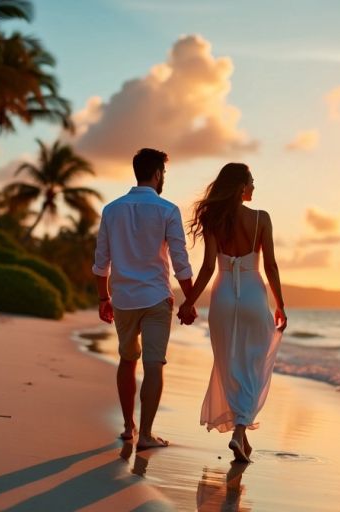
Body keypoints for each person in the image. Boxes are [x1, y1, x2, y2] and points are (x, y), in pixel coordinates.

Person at [180, 162, 287, 463]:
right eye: (251, 181)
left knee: (230, 364)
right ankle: (239, 432)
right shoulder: (261, 219)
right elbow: (271, 267)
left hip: (224, 295)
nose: (254, 186)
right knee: (253, 364)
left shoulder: (214, 219)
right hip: (253, 294)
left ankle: (242, 436)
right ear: (240, 186)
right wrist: (280, 304)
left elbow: (208, 267)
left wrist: (190, 301)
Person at [93, 148, 197, 450]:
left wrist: (104, 298)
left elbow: (102, 261)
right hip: (156, 299)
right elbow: (180, 262)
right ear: (157, 174)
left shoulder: (112, 210)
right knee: (154, 365)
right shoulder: (167, 210)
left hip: (123, 298)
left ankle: (129, 428)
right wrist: (190, 301)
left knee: (127, 360)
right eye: (163, 173)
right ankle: (147, 435)